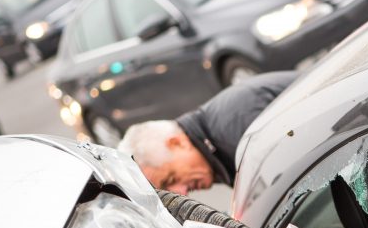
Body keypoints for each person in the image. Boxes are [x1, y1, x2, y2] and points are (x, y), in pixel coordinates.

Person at [117, 70, 295, 194]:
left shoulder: (239, 128)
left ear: (178, 143)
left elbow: (299, 188)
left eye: (171, 180)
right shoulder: (219, 140)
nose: (182, 192)